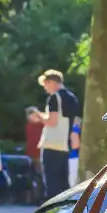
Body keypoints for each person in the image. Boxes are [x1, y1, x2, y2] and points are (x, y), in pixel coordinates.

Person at [37, 69, 81, 199]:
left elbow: (52, 121)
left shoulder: (54, 98)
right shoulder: (72, 98)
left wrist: (38, 116)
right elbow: (75, 121)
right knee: (63, 183)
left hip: (52, 145)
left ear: (51, 82)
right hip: (65, 145)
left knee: (52, 183)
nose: (45, 88)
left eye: (45, 84)